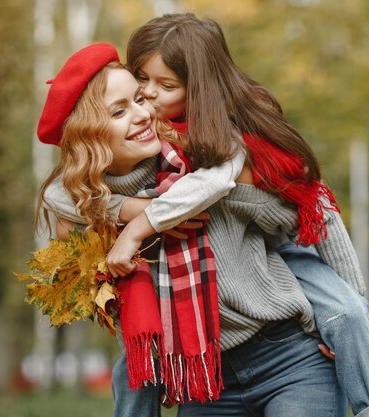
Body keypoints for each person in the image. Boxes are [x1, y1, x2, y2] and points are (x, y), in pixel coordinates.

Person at [103, 13, 369, 417]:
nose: (149, 93)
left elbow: (319, 210)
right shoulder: (141, 140)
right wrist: (128, 207)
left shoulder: (238, 138)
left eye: (166, 85)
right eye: (141, 77)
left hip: (289, 306)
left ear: (199, 87)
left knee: (346, 313)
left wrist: (351, 311)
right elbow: (73, 194)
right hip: (212, 376)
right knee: (129, 369)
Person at [37, 42, 347, 417]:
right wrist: (131, 210)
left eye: (139, 99)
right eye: (120, 111)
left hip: (289, 358)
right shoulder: (85, 211)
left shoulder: (198, 162)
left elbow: (307, 211)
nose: (142, 114)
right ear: (89, 137)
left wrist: (346, 321)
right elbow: (59, 196)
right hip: (207, 382)